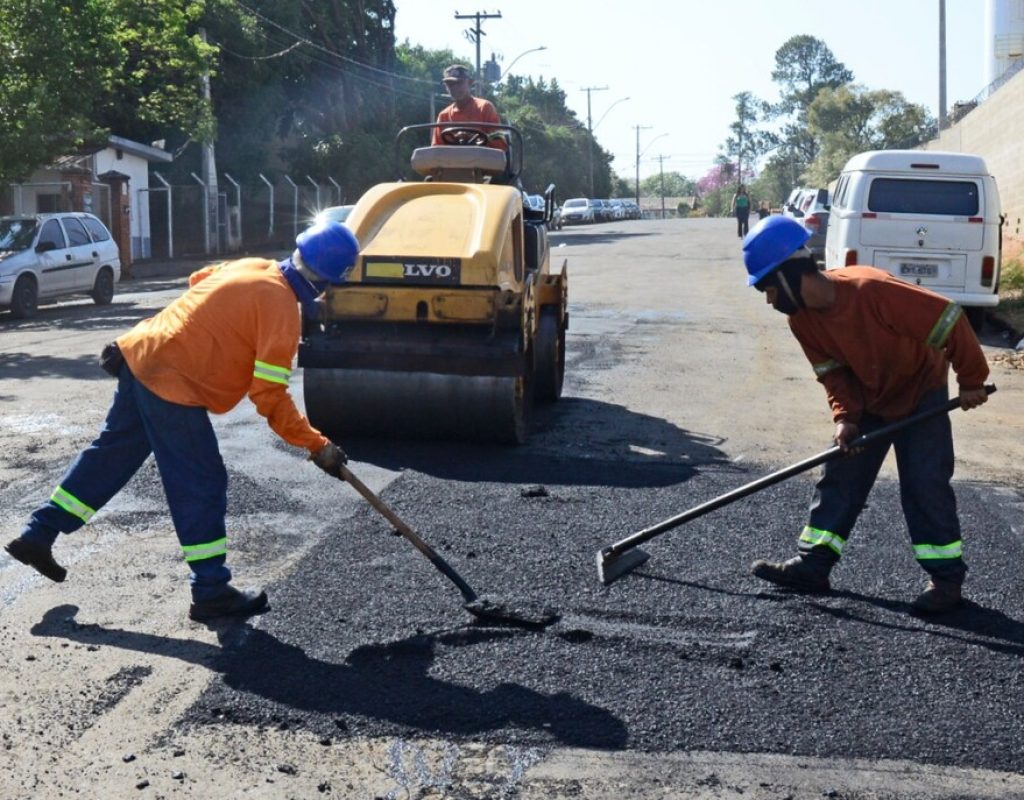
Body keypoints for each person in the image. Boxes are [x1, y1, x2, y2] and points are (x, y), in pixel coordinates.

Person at [4, 221, 359, 622]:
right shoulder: (281, 311)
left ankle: (38, 534)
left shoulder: (254, 266)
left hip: (140, 356)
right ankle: (210, 590)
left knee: (108, 458)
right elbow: (270, 396)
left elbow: (200, 279)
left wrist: (217, 330)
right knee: (200, 481)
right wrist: (316, 444)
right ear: (325, 280)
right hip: (172, 385)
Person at [741, 215, 989, 614]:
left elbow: (949, 319)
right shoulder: (801, 321)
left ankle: (946, 582)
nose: (770, 300)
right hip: (870, 397)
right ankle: (813, 565)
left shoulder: (870, 290)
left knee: (925, 484)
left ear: (789, 274)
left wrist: (972, 379)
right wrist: (846, 417)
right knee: (840, 475)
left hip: (920, 391)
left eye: (769, 288)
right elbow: (832, 373)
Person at [432, 64, 507, 151]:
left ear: (470, 83)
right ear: (446, 87)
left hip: (481, 163)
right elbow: (436, 152)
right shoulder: (443, 116)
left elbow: (500, 144)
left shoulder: (484, 108)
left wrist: (471, 138)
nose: (455, 87)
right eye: (450, 84)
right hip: (452, 163)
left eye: (459, 83)